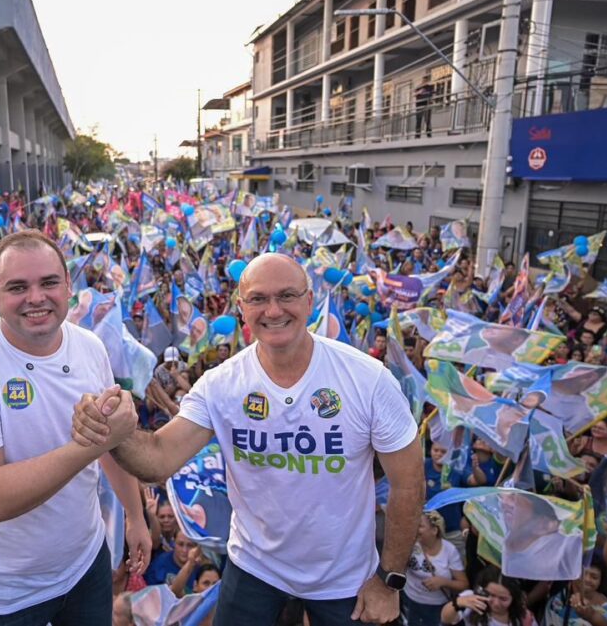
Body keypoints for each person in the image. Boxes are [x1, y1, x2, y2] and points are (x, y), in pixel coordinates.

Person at [72, 253, 424, 625]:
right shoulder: (221, 384)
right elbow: (158, 458)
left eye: (287, 296)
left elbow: (409, 484)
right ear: (242, 309)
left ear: (308, 301)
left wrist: (389, 581)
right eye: (258, 299)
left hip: (344, 578)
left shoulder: (367, 378)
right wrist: (113, 431)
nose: (273, 311)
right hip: (255, 570)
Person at [0, 230, 149, 624]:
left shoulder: (89, 346)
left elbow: (111, 444)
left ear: (68, 286)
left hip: (85, 563)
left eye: (49, 283)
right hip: (1, 592)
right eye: (18, 287)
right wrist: (93, 444)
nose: (36, 297)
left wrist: (134, 515)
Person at [401, 511, 467, 626]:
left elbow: (463, 584)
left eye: (420, 526)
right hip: (411, 601)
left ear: (434, 530)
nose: (415, 528)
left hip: (437, 606)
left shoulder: (449, 551)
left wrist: (443, 582)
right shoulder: (410, 544)